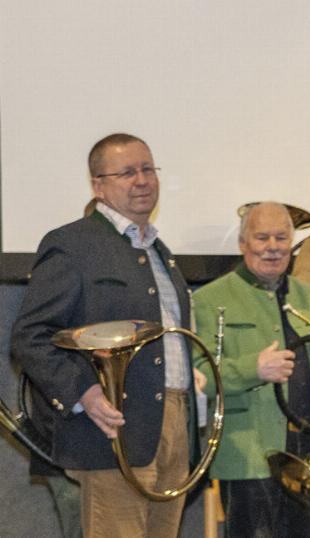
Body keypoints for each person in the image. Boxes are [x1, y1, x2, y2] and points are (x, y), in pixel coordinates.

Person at [11, 133, 199, 537]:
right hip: (111, 431)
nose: (142, 180)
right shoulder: (72, 244)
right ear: (98, 186)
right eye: (127, 172)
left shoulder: (160, 251)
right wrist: (84, 393)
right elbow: (31, 335)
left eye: (147, 169)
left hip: (173, 427)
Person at [192, 202, 310, 537]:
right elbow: (200, 376)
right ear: (243, 243)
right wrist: (252, 369)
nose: (273, 247)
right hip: (247, 453)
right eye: (262, 237)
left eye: (281, 238)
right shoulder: (208, 299)